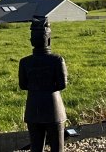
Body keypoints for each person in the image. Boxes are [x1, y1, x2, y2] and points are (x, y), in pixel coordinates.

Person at [19, 16, 68, 152]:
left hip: (33, 109)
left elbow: (23, 85)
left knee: (36, 147)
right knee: (57, 148)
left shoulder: (25, 62)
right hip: (54, 109)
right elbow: (62, 85)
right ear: (49, 40)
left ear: (31, 41)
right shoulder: (57, 60)